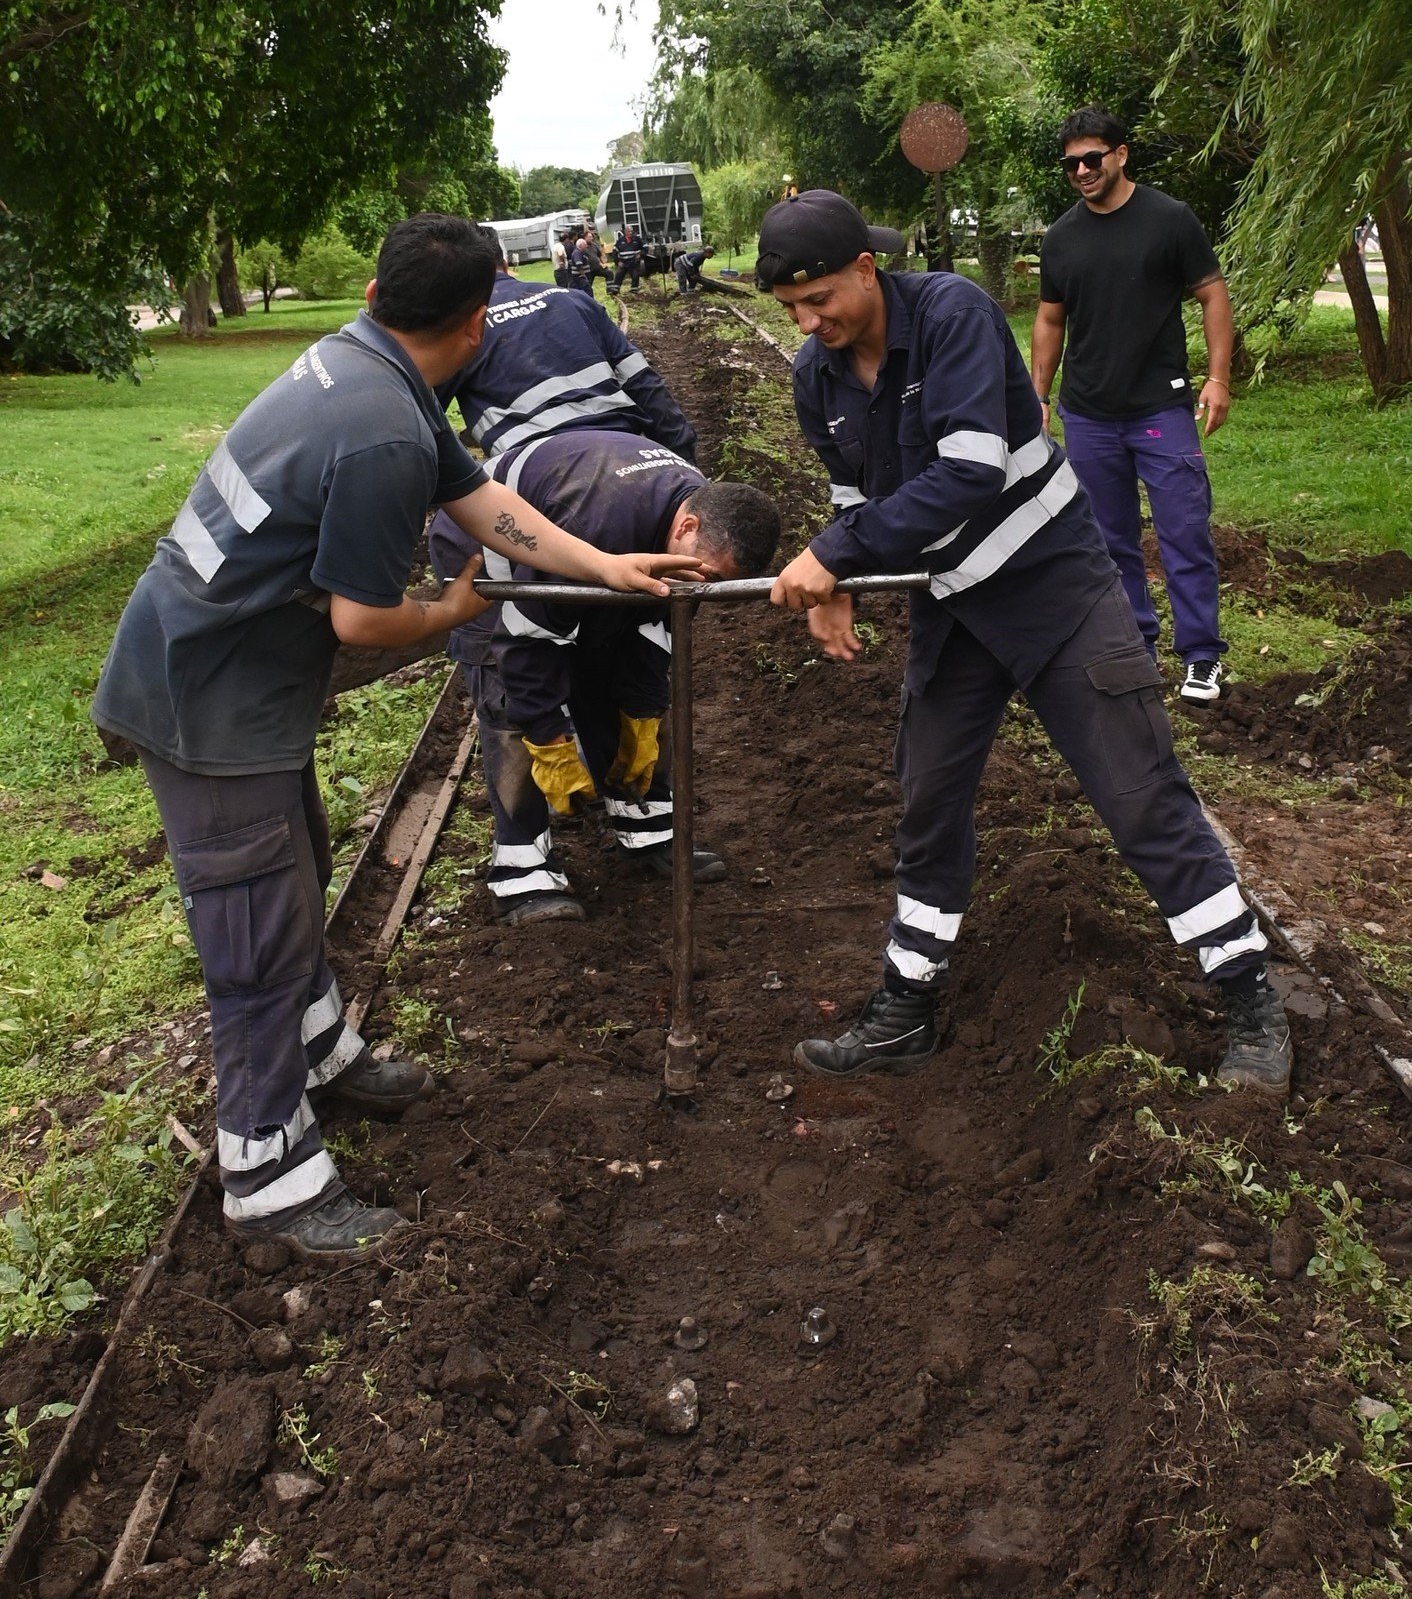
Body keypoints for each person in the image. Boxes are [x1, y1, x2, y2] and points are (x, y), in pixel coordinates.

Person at [91, 215, 697, 1261]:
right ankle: (268, 1174)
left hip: (242, 685)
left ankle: (320, 1054)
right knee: (252, 932)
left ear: (377, 289)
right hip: (207, 697)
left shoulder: (365, 362)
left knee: (300, 872)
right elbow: (362, 623)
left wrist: (606, 565)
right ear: (474, 324)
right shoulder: (377, 426)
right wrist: (452, 615)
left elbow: (482, 499)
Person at [758, 190, 1290, 1090]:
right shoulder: (817, 381)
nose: (811, 325)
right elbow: (858, 500)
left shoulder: (952, 314)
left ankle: (1251, 1006)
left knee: (1138, 797)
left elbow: (968, 472)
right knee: (926, 800)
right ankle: (904, 1011)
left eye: (821, 301)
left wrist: (831, 554)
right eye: (791, 312)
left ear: (864, 268)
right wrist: (836, 581)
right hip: (953, 607)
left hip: (1054, 588)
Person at [431, 434, 779, 919]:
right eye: (706, 577)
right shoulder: (597, 523)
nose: (704, 590)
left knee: (607, 664)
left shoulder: (701, 524)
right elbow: (527, 640)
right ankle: (521, 868)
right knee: (508, 698)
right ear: (687, 525)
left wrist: (642, 717)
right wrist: (550, 741)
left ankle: (644, 824)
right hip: (491, 545)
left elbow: (649, 641)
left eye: (717, 585)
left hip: (591, 536)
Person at [1031, 109, 1234, 705]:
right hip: (1088, 415)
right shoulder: (1062, 238)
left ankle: (1201, 656)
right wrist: (1037, 396)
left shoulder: (1169, 220)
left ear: (1121, 154)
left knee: (1184, 532)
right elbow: (1049, 319)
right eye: (1071, 163)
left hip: (1160, 409)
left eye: (1092, 158)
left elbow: (1212, 295)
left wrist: (1217, 378)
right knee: (1109, 539)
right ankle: (1135, 644)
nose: (1081, 171)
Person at [445, 232, 696, 466]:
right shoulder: (573, 299)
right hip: (623, 447)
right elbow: (644, 383)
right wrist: (683, 458)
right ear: (505, 262)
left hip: (536, 469)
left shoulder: (457, 331)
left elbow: (423, 422)